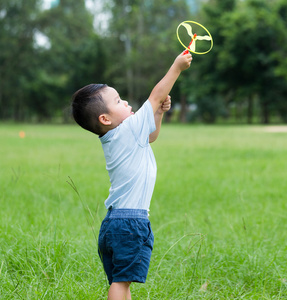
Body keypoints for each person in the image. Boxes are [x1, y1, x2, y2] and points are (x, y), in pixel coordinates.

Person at [71, 51, 192, 300]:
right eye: (118, 101)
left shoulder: (118, 135)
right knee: (120, 284)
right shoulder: (127, 129)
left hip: (115, 222)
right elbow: (157, 94)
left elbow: (150, 137)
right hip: (130, 223)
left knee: (121, 283)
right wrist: (177, 67)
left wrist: (158, 114)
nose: (126, 102)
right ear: (105, 119)